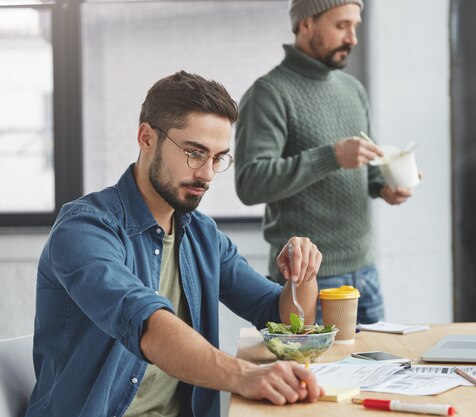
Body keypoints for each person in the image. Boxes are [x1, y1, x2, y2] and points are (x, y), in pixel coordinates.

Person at [25, 71, 325, 417]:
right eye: (194, 153)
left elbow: (281, 318)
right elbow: (144, 322)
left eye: (217, 158)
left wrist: (302, 273)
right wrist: (244, 376)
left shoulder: (202, 235)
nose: (207, 174)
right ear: (146, 137)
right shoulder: (85, 228)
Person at [234, 0, 413, 324]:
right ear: (306, 24)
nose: (352, 38)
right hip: (306, 281)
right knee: (310, 376)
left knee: (380, 373)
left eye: (355, 26)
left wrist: (385, 187)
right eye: (342, 26)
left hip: (365, 276)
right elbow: (250, 182)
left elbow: (365, 171)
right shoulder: (269, 93)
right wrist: (330, 156)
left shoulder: (353, 89)